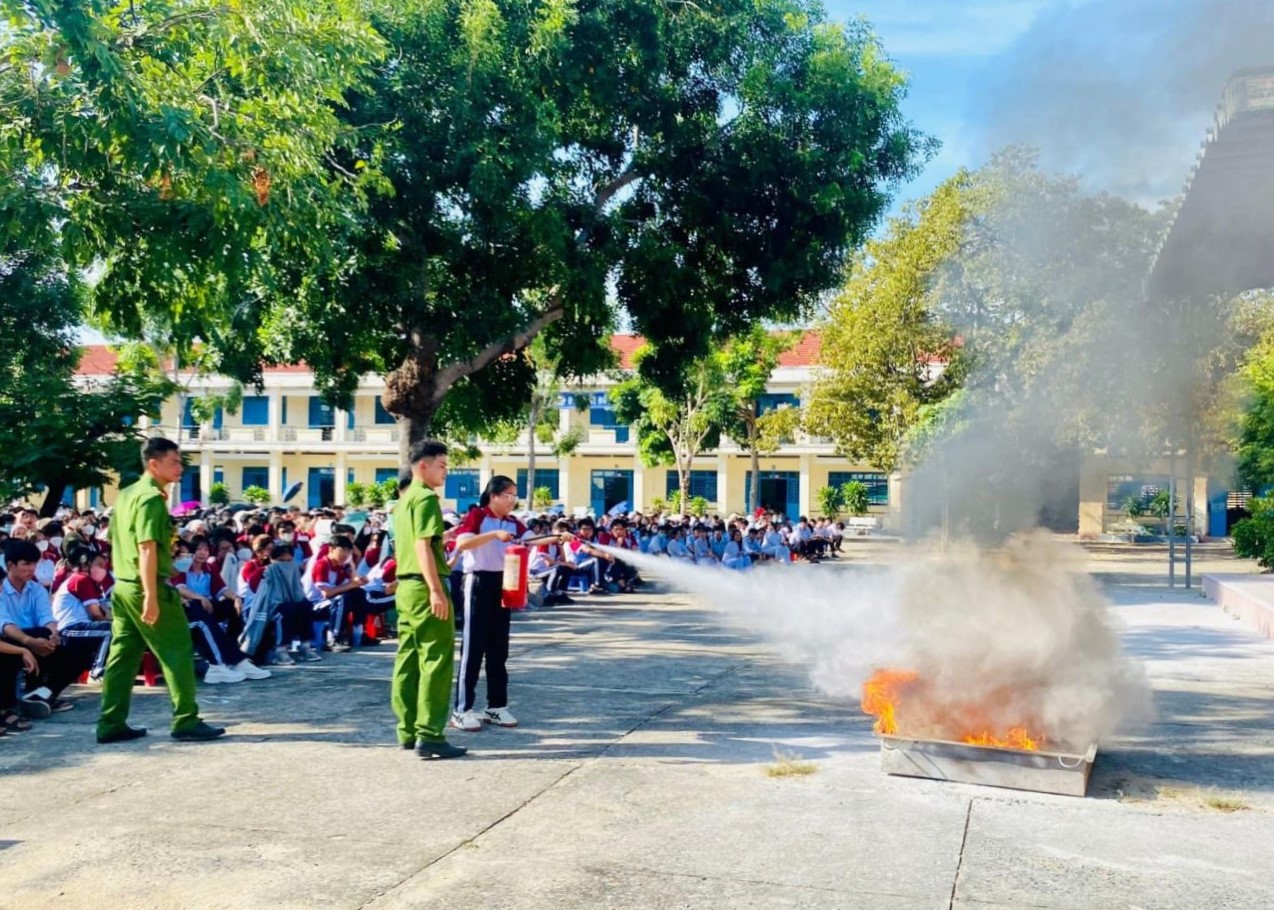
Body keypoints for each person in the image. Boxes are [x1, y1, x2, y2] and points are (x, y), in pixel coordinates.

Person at [96, 437, 224, 744]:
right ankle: (186, 720)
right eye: (174, 462)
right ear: (154, 464)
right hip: (146, 586)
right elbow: (147, 549)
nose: (180, 467)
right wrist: (152, 596)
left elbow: (116, 541)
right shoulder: (151, 499)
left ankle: (110, 723)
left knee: (122, 658)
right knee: (178, 651)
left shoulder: (126, 494)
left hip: (124, 586)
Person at [392, 439, 467, 760]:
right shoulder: (425, 498)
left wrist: (445, 538)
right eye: (442, 465)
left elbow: (415, 543)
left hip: (406, 588)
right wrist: (437, 590)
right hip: (425, 587)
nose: (445, 472)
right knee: (436, 660)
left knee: (407, 659)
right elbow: (423, 546)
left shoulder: (403, 500)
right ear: (423, 465)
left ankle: (407, 730)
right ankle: (431, 734)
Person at [450, 476, 523, 732]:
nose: (513, 501)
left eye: (515, 496)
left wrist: (559, 537)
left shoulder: (513, 522)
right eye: (508, 496)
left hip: (503, 585)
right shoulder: (478, 516)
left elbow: (531, 541)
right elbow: (462, 542)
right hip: (478, 582)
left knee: (498, 648)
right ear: (494, 495)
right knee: (473, 648)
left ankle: (496, 706)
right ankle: (462, 709)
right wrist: (493, 534)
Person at [1, 539, 99, 717]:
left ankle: (45, 692)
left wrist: (54, 634)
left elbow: (46, 617)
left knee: (79, 651)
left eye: (34, 564)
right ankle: (8, 707)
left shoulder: (37, 590)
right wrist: (29, 641)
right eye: (26, 564)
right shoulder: (1, 589)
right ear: (11, 565)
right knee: (36, 636)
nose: (31, 569)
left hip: (38, 639)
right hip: (12, 641)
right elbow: (5, 624)